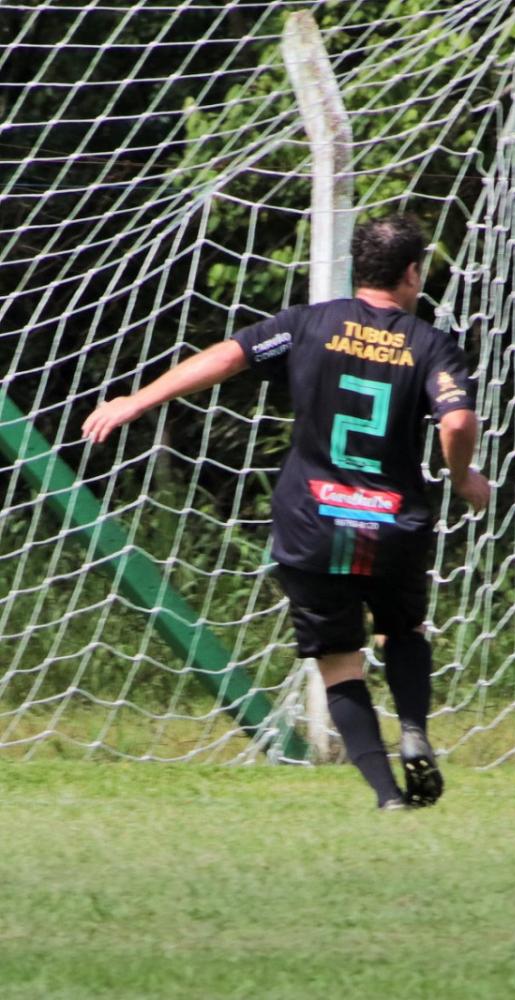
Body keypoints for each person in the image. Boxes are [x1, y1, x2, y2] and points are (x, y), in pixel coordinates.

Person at [83, 214, 490, 810]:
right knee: (403, 629)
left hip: (313, 522)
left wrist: (138, 399)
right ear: (412, 272)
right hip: (392, 524)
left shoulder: (308, 324)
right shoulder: (430, 344)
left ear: (357, 268)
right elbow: (456, 420)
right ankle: (414, 730)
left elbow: (229, 355)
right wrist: (461, 477)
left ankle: (388, 798)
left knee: (337, 661)